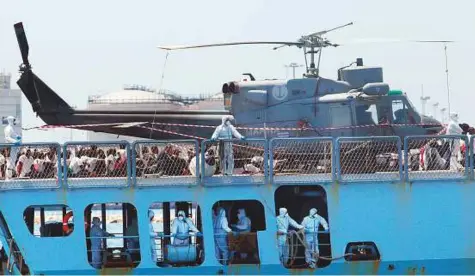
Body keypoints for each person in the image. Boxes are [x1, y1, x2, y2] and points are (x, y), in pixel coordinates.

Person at [4, 116, 21, 180]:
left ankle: (10, 177)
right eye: (13, 120)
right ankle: (8, 178)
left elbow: (14, 135)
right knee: (9, 162)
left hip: (13, 147)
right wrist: (15, 141)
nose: (14, 121)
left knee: (13, 162)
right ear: (11, 120)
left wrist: (18, 137)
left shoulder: (11, 128)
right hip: (10, 146)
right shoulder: (8, 128)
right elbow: (7, 137)